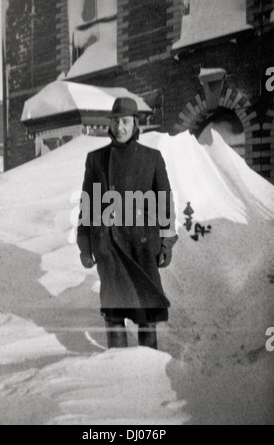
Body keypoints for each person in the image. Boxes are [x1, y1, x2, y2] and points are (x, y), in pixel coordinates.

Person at [77, 97, 178, 350]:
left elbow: (164, 202)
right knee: (113, 312)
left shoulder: (151, 158)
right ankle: (117, 367)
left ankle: (149, 367)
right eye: (115, 121)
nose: (119, 127)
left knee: (147, 311)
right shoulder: (96, 159)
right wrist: (85, 246)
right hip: (109, 246)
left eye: (125, 121)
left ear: (135, 124)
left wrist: (166, 243)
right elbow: (87, 205)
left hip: (143, 246)